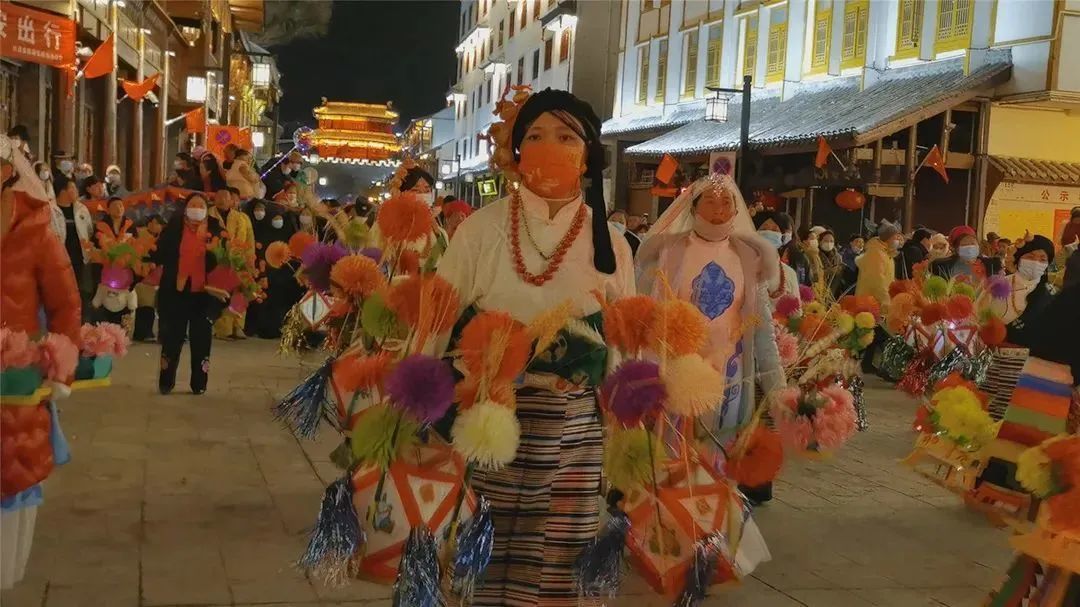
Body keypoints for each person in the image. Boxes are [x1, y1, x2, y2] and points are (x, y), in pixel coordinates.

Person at [436, 88, 635, 606]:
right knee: (483, 556)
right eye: (536, 136)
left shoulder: (613, 243)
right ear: (517, 151)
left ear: (587, 155)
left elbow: (622, 342)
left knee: (561, 562)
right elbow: (437, 322)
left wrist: (626, 434)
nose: (550, 147)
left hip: (576, 430)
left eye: (566, 137)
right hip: (488, 416)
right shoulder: (479, 230)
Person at [638, 175, 786, 510]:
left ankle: (713, 529)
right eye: (710, 201)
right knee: (673, 460)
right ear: (692, 208)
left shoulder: (749, 257)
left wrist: (778, 388)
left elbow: (762, 329)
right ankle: (673, 526)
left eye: (726, 202)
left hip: (730, 376)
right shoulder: (668, 253)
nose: (718, 209)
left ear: (736, 209)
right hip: (677, 373)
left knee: (719, 458)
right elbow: (647, 317)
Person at [1, 135, 82, 590]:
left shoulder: (35, 229)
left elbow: (65, 304)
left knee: (13, 473)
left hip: (16, 382)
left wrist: (60, 366)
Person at [152, 194, 224, 395]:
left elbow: (224, 259)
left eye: (201, 205)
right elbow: (160, 252)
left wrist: (212, 253)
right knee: (172, 337)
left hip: (205, 292)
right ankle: (166, 381)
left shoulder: (214, 228)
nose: (197, 208)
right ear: (185, 208)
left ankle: (199, 383)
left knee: (201, 338)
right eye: (193, 204)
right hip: (177, 290)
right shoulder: (174, 227)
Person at [209, 187, 254, 339]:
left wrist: (250, 260)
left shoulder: (242, 218)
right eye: (219, 197)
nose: (222, 200)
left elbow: (250, 240)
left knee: (239, 293)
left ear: (231, 201)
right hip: (216, 261)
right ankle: (222, 328)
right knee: (220, 294)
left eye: (226, 197)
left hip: (239, 261)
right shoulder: (208, 215)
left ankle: (238, 325)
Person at [54, 176, 94, 319]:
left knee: (81, 292)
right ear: (63, 191)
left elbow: (89, 231)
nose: (76, 191)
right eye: (73, 187)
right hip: (59, 259)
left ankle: (80, 322)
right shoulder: (51, 209)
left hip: (80, 259)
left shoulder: (81, 209)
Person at [751, 210, 799, 302]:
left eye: (774, 230)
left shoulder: (789, 273)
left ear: (783, 237)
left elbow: (796, 308)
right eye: (764, 229)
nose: (769, 232)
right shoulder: (742, 266)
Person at [132, 214, 165, 342]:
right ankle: (143, 332)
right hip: (144, 274)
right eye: (153, 222)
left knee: (157, 306)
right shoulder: (140, 235)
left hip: (159, 274)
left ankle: (156, 333)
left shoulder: (163, 238)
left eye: (158, 223)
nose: (155, 226)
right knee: (145, 304)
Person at [929, 225, 1003, 280]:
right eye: (964, 244)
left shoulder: (992, 265)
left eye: (972, 243)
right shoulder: (942, 268)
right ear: (956, 249)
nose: (970, 247)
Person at [855, 220, 900, 307]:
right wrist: (887, 301)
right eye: (896, 237)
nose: (898, 240)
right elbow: (877, 282)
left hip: (879, 303)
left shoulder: (886, 253)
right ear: (888, 238)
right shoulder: (875, 253)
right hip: (870, 303)